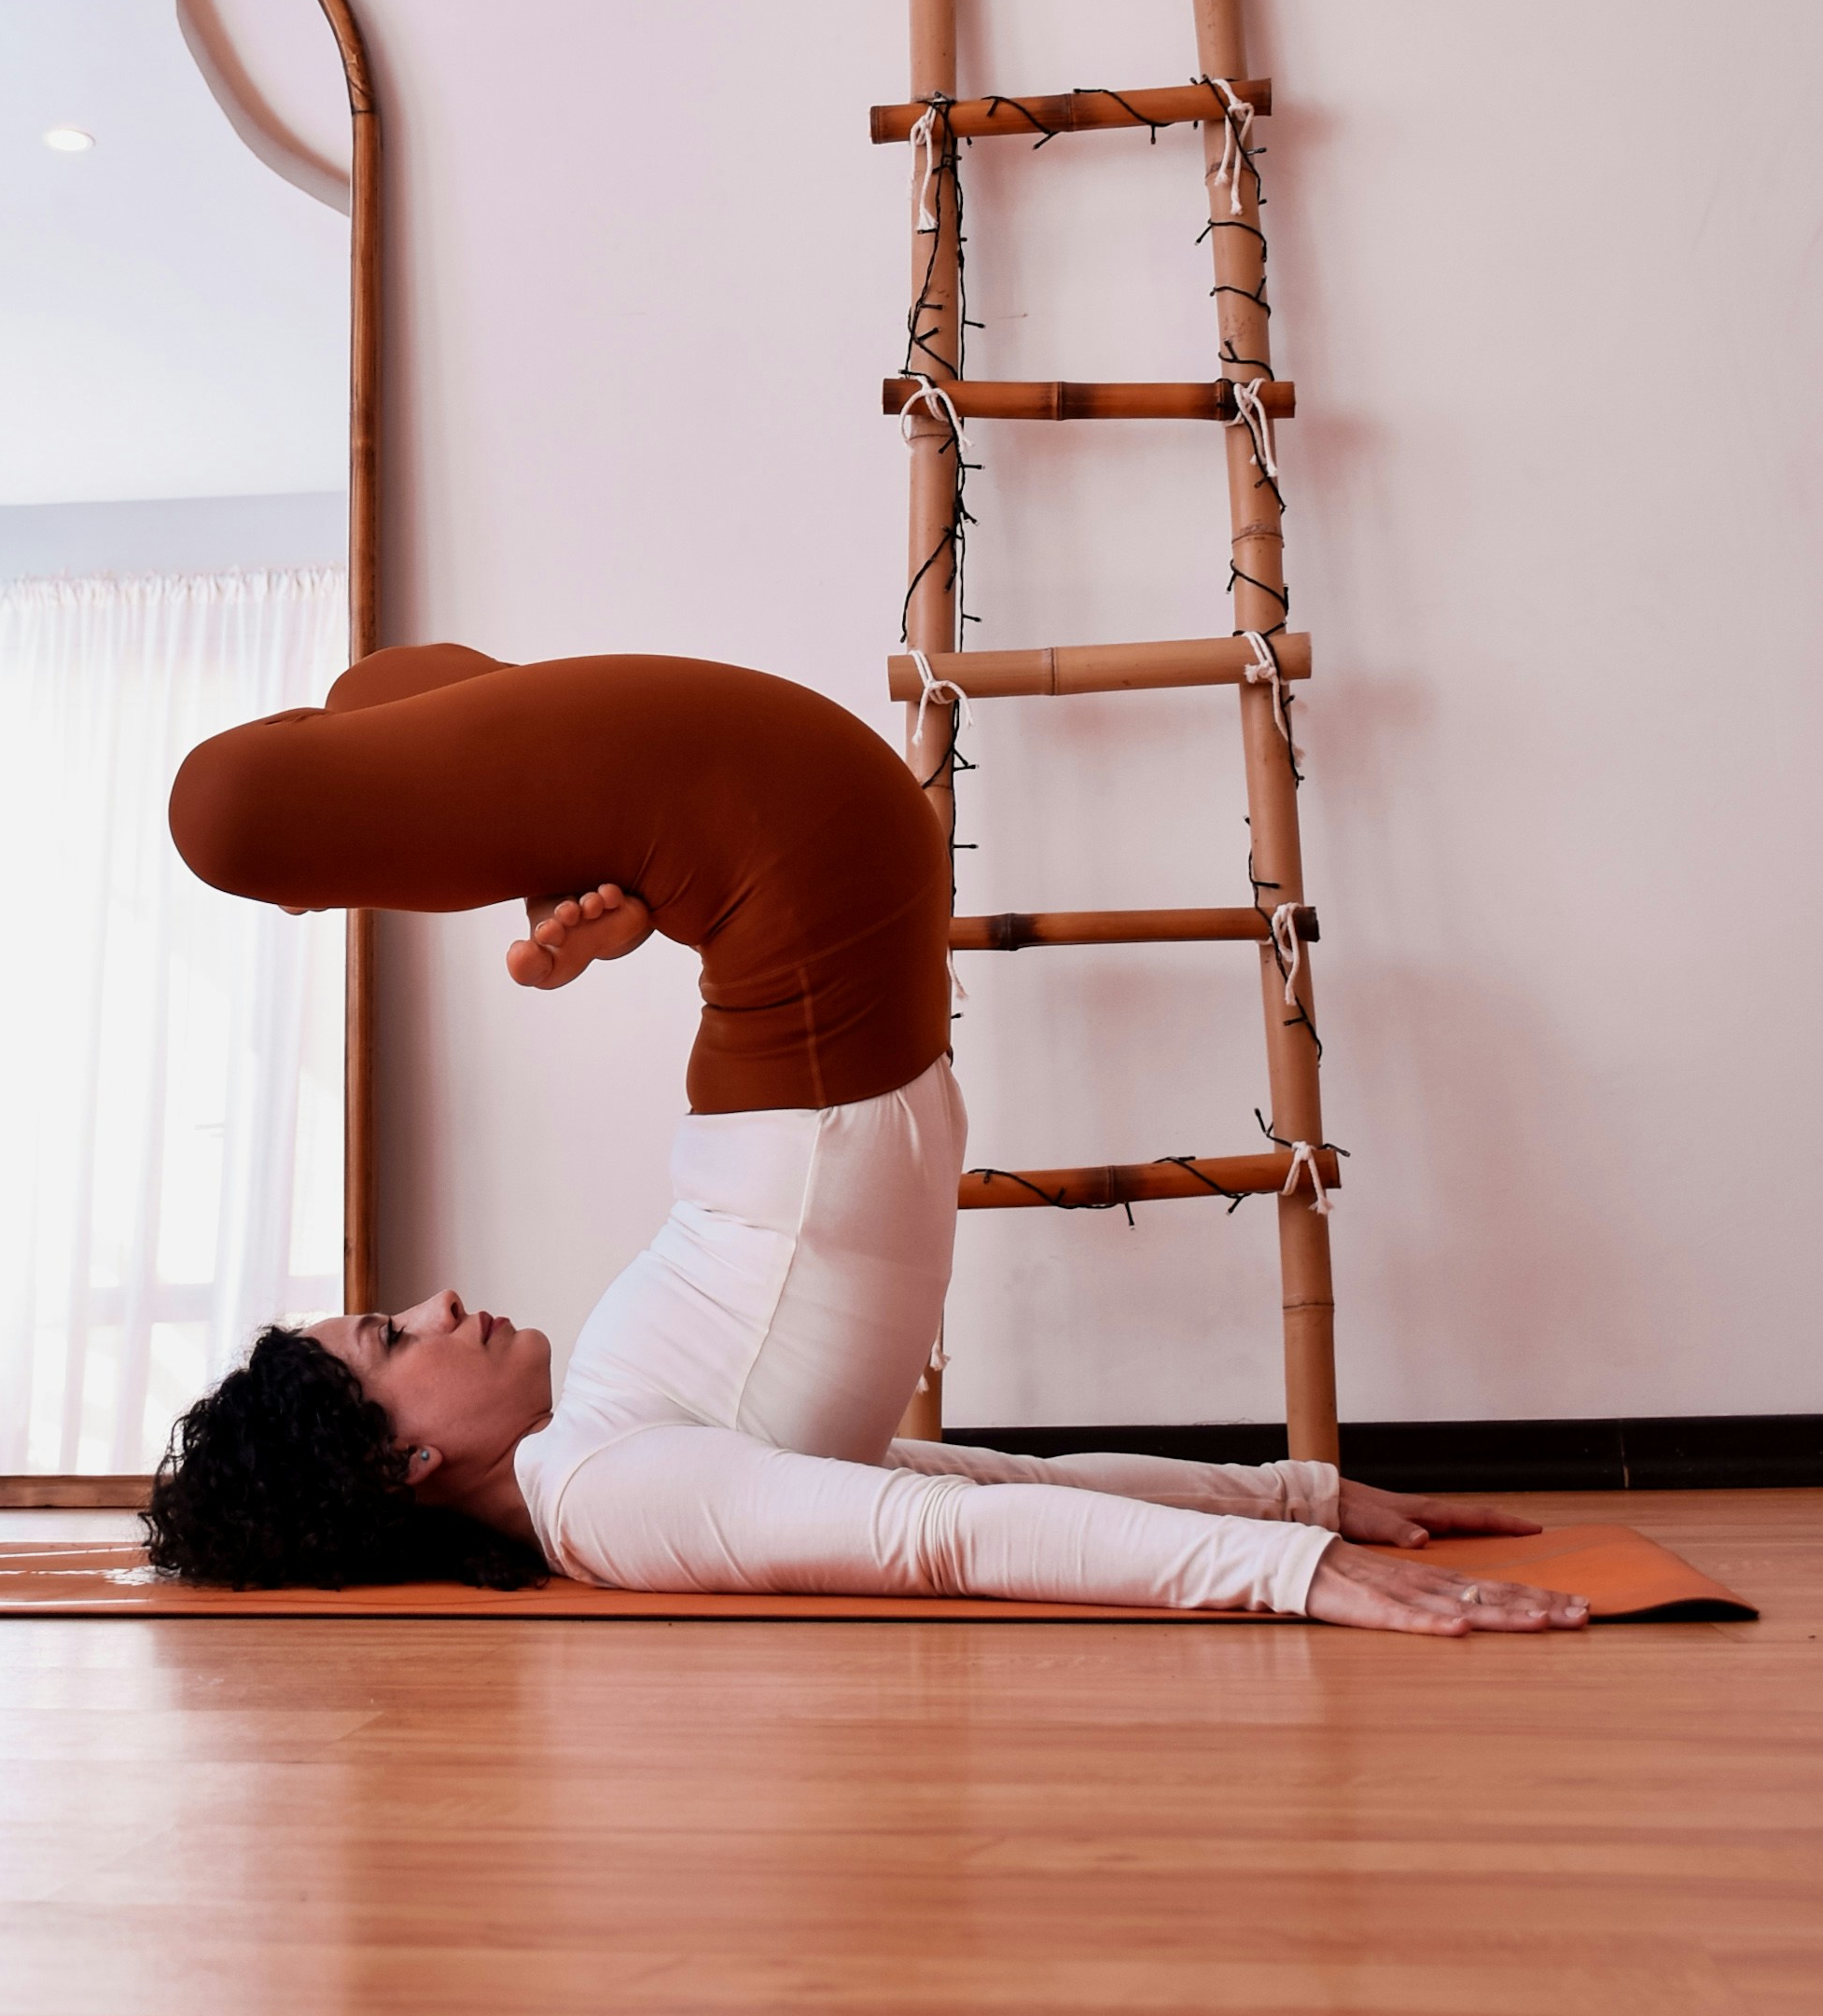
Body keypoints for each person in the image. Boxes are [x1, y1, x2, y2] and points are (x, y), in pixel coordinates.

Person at [150, 644, 1582, 1637]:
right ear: (400, 1465)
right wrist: (1294, 1565)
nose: (437, 1301)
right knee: (231, 807)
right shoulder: (609, 1498)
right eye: (393, 1340)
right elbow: (951, 1533)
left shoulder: (603, 1465)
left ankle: (595, 885)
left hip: (802, 955)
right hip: (808, 900)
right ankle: (589, 885)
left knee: (381, 699)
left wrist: (1298, 1496)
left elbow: (956, 1485)